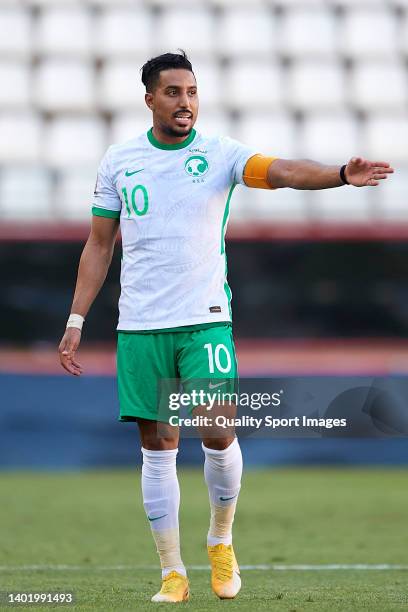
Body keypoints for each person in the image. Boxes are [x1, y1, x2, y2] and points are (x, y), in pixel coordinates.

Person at [58, 50, 394, 603]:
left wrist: (338, 176)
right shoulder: (120, 161)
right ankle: (173, 571)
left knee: (217, 431)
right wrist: (76, 319)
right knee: (157, 445)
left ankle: (220, 542)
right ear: (149, 99)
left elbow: (281, 172)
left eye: (191, 91)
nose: (184, 101)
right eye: (172, 92)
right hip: (142, 325)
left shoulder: (220, 154)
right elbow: (99, 245)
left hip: (205, 321)